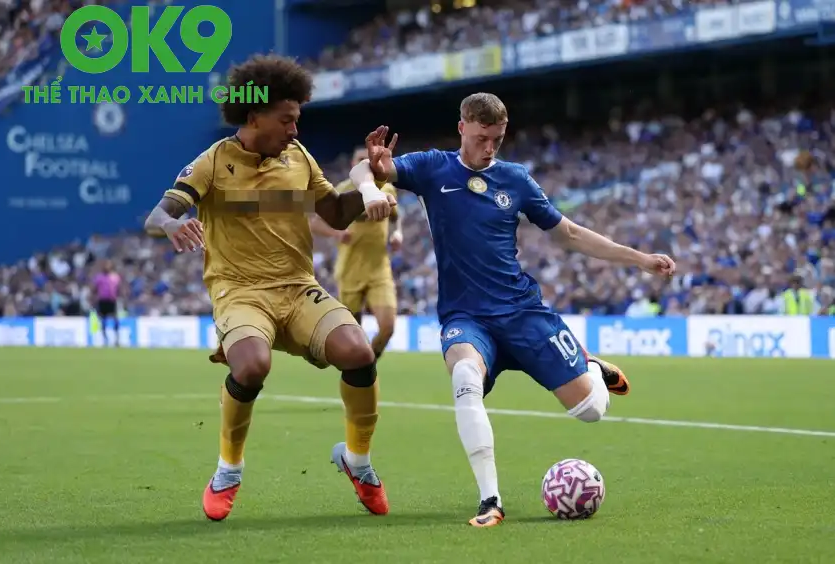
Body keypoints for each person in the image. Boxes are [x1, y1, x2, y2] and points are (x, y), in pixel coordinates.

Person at [349, 93, 676, 527]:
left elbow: (569, 234)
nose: (489, 148)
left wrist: (640, 259)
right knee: (465, 378)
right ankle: (490, 500)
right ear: (462, 127)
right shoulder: (432, 167)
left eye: (497, 141)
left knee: (592, 410)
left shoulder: (515, 179)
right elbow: (363, 168)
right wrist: (371, 184)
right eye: (482, 138)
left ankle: (592, 368)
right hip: (466, 317)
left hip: (522, 312)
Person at [143, 54, 396, 521]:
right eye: (287, 119)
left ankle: (357, 461)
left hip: (298, 288)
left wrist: (374, 180)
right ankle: (228, 469)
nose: (295, 130)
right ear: (255, 115)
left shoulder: (298, 158)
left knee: (359, 352)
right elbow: (157, 214)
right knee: (253, 365)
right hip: (240, 292)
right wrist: (171, 225)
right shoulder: (213, 162)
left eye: (297, 119)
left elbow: (335, 214)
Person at [311, 147, 403, 359]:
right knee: (354, 335)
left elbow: (396, 217)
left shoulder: (387, 188)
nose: (364, 163)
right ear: (353, 165)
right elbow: (314, 223)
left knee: (387, 327)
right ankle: (361, 367)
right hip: (350, 270)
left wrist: (397, 233)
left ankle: (370, 362)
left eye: (367, 160)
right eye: (359, 159)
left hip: (379, 269)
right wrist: (336, 233)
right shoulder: (341, 192)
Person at [92, 260, 121, 346]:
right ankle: (105, 339)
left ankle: (117, 339)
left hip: (112, 300)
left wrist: (119, 296)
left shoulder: (115, 277)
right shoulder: (99, 277)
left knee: (115, 319)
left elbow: (118, 288)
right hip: (103, 300)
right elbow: (94, 289)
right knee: (103, 320)